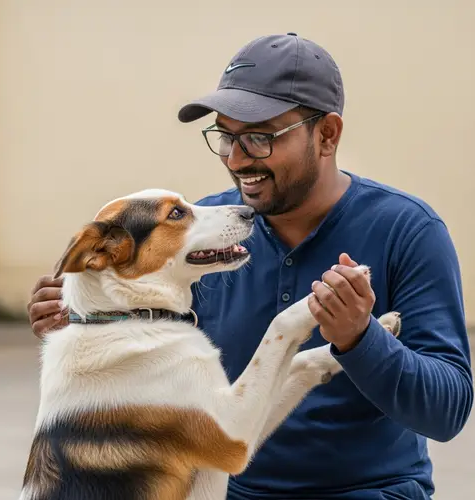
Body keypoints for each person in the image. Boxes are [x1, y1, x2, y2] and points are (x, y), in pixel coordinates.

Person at [27, 33, 473, 499]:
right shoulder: (200, 240)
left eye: (260, 138)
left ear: (327, 134)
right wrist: (88, 320)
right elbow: (143, 358)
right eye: (226, 136)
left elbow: (446, 412)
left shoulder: (407, 230)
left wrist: (360, 339)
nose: (237, 160)